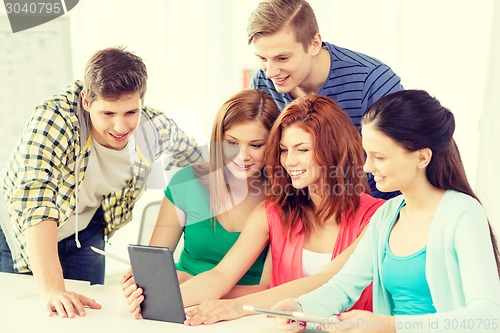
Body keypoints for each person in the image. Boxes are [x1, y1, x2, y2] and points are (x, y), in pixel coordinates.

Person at [123, 94, 385, 322]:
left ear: (332, 150)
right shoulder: (276, 211)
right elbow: (221, 275)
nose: (290, 160)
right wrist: (157, 300)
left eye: (302, 149)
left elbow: (328, 280)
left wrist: (237, 307)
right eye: (283, 150)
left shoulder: (378, 216)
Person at [272, 90, 500, 333]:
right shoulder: (387, 214)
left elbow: (487, 317)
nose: (368, 167)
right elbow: (344, 286)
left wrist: (388, 326)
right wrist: (298, 307)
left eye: (379, 157)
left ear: (421, 157)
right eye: (367, 154)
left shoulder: (463, 214)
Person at [0, 47, 203, 319]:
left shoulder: (156, 128)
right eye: (108, 114)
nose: (120, 127)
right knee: (26, 318)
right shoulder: (54, 119)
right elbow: (36, 203)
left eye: (131, 112)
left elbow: (196, 163)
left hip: (86, 232)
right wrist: (51, 288)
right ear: (86, 100)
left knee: (86, 318)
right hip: (24, 235)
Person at [119, 88, 280, 317]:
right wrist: (144, 284)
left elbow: (268, 289)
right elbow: (155, 266)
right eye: (232, 143)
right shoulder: (187, 182)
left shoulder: (281, 199)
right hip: (180, 300)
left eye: (256, 145)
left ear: (273, 144)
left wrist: (190, 285)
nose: (242, 156)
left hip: (242, 310)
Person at [247, 0, 403, 200]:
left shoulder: (372, 81)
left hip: (373, 208)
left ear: (314, 44)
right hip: (301, 208)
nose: (270, 72)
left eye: (282, 58)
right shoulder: (262, 83)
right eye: (262, 59)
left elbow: (396, 162)